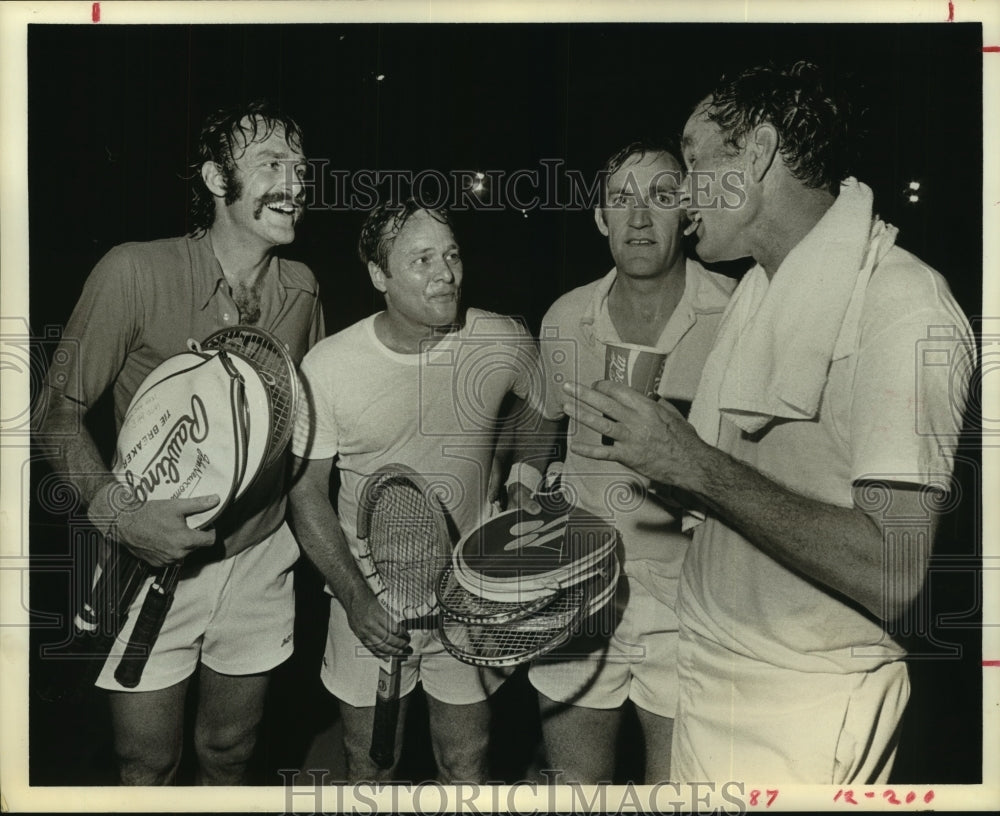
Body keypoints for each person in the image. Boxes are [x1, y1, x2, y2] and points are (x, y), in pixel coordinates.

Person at [563, 61, 974, 783]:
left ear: (755, 154)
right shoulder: (760, 290)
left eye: (692, 159)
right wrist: (665, 465)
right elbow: (753, 491)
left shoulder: (903, 309)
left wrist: (692, 463)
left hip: (804, 708)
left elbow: (897, 573)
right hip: (712, 673)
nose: (682, 192)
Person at [39, 100, 324, 784]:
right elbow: (55, 413)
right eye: (271, 165)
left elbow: (306, 434)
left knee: (230, 753)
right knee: (147, 762)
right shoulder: (133, 272)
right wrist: (123, 517)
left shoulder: (303, 289)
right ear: (215, 180)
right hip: (147, 561)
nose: (297, 181)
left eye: (300, 165)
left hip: (259, 556)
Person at [288, 199, 543, 782]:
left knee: (466, 760)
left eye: (451, 255)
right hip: (372, 603)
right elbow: (306, 494)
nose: (446, 273)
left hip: (469, 598)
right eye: (421, 259)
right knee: (371, 764)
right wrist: (355, 597)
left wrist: (520, 477)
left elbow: (542, 406)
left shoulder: (500, 339)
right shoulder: (328, 369)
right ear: (380, 276)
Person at [505, 141, 736, 782]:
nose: (639, 217)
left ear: (689, 212)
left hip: (693, 603)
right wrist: (524, 481)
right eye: (621, 199)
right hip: (578, 591)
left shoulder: (741, 313)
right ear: (600, 218)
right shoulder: (565, 317)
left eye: (661, 197)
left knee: (679, 790)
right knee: (578, 788)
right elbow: (541, 413)